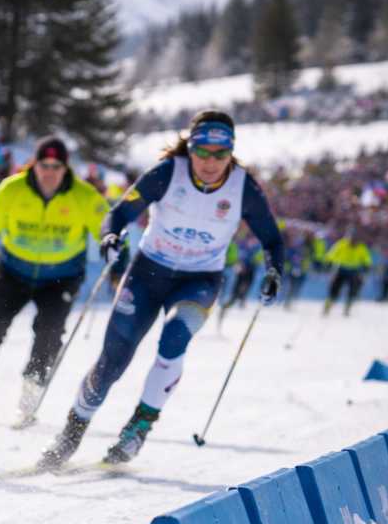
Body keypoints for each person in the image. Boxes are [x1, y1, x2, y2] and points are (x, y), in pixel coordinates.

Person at [37, 110, 284, 469]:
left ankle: (138, 427)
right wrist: (111, 235)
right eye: (202, 152)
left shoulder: (244, 189)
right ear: (190, 147)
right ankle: (70, 434)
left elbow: (272, 239)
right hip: (148, 274)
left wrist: (274, 270)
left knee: (174, 339)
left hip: (199, 280)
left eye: (220, 154)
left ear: (231, 152)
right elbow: (118, 214)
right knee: (113, 361)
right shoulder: (169, 173)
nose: (210, 162)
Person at [0, 136, 110, 423]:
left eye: (57, 166)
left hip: (61, 278)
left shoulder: (84, 196)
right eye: (45, 165)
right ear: (35, 164)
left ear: (66, 168)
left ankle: (29, 399)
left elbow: (108, 230)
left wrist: (117, 266)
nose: (50, 172)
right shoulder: (12, 190)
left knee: (49, 334)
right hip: (13, 271)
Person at [322, 230, 371, 316]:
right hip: (341, 269)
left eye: (356, 240)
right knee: (334, 289)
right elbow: (333, 253)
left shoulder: (361, 247)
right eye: (352, 239)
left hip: (354, 271)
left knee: (352, 290)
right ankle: (328, 306)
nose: (353, 242)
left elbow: (366, 258)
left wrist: (367, 265)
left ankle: (347, 308)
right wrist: (328, 261)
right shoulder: (341, 244)